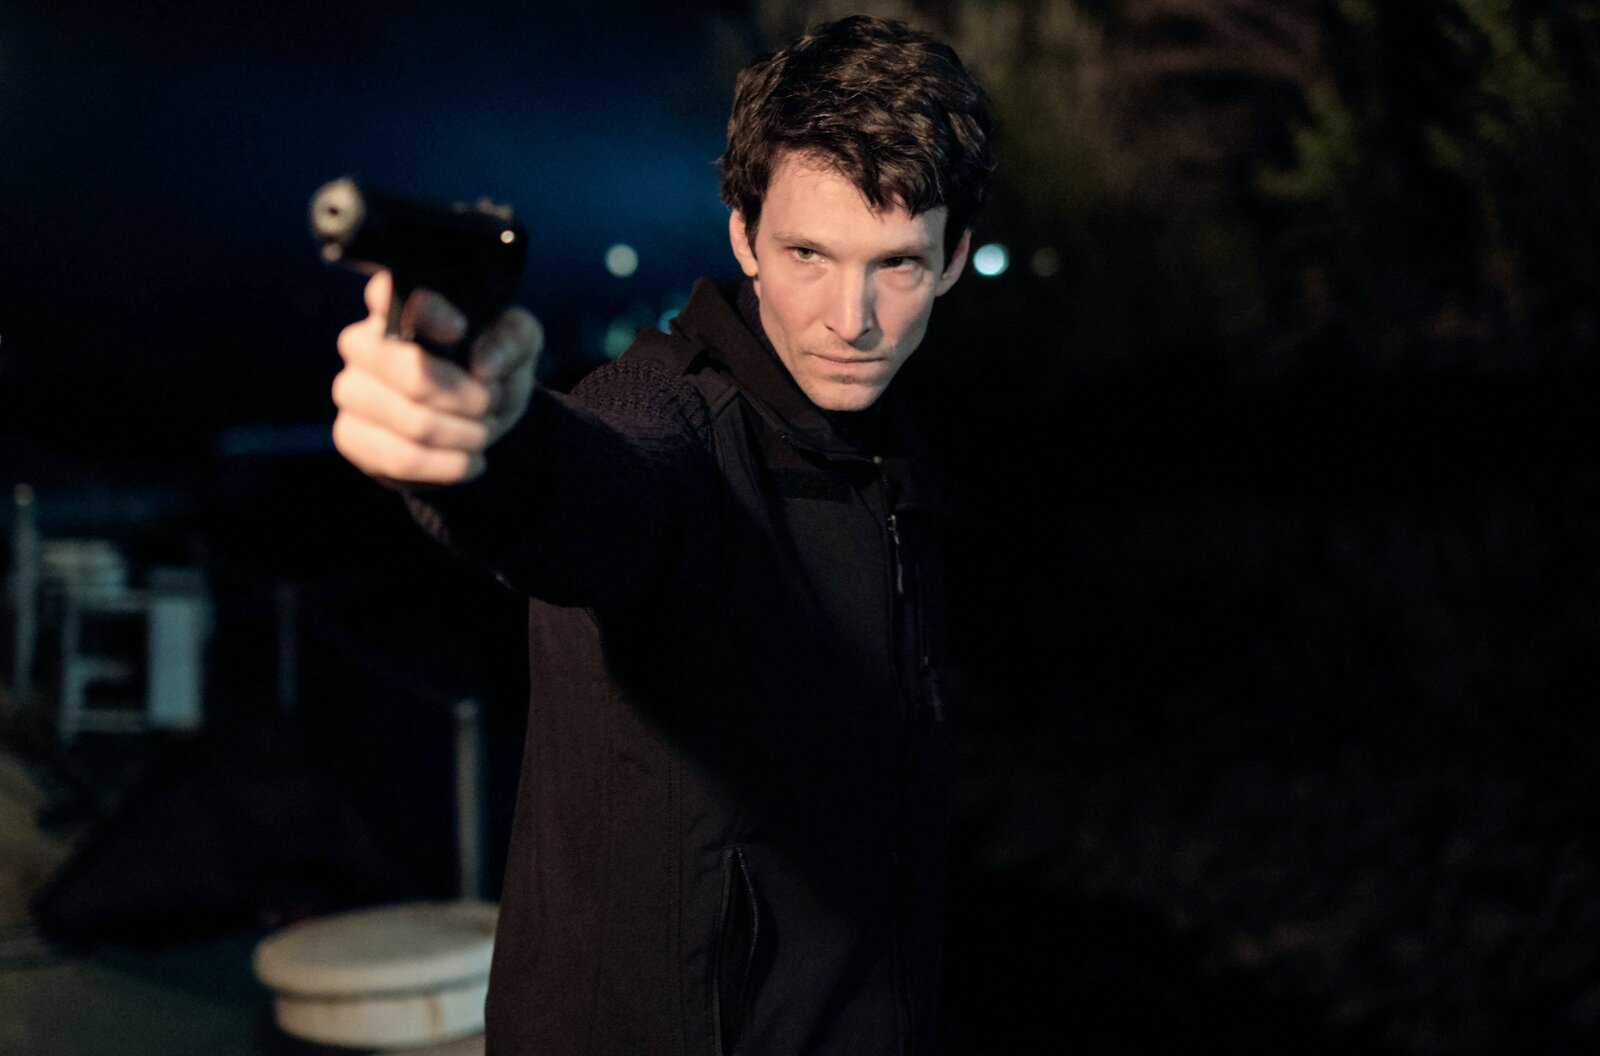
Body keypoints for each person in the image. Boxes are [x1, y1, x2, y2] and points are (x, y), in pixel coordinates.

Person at [329, 15, 994, 1055]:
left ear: (953, 258)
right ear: (742, 236)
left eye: (897, 265)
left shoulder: (896, 452)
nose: (851, 318)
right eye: (808, 255)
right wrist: (482, 447)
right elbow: (595, 486)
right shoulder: (669, 417)